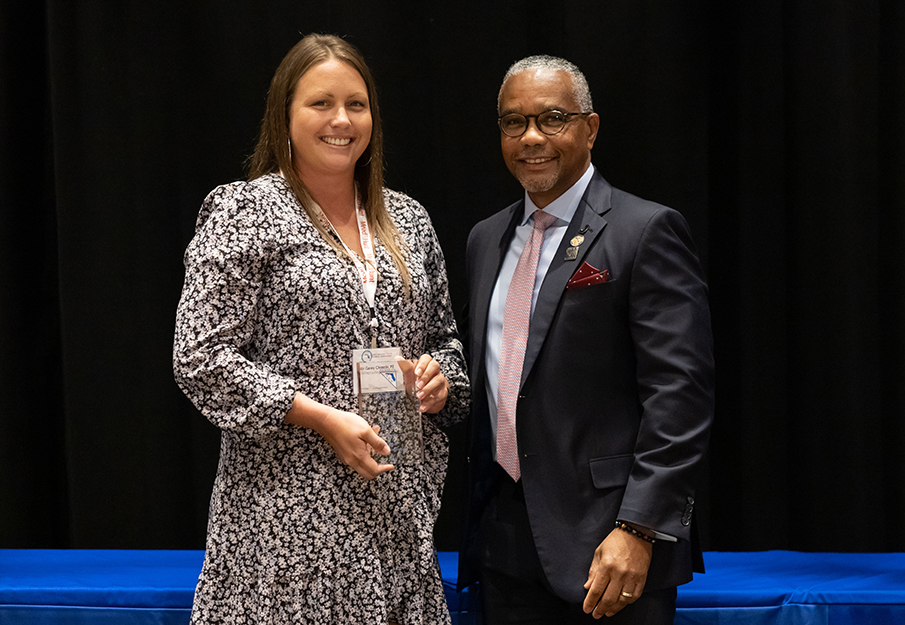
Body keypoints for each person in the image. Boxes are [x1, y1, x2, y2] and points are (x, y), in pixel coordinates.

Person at [173, 34, 469, 625]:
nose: (341, 119)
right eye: (320, 103)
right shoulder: (244, 211)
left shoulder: (407, 218)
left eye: (356, 104)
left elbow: (445, 340)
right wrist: (317, 415)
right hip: (285, 523)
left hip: (396, 517)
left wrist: (442, 379)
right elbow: (199, 357)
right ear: (284, 114)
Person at [460, 55, 714, 624]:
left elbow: (680, 398)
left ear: (590, 128)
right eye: (512, 122)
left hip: (612, 548)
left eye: (552, 119)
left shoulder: (644, 230)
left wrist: (639, 528)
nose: (530, 138)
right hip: (504, 543)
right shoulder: (484, 239)